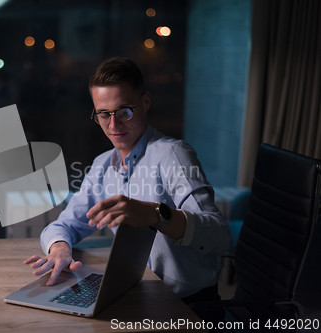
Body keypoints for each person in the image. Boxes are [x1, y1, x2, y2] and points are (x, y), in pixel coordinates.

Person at [25, 57, 231, 321]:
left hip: (187, 307)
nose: (114, 125)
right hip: (138, 296)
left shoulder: (173, 155)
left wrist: (156, 215)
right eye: (104, 114)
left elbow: (220, 235)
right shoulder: (102, 165)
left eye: (124, 111)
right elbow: (62, 225)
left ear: (145, 102)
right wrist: (59, 248)